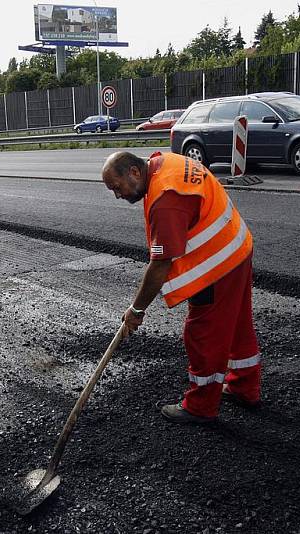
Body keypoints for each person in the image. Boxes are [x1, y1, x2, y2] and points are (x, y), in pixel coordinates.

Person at [101, 151, 261, 424]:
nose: (118, 195)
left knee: (202, 334)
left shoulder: (166, 199)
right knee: (237, 324)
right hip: (236, 247)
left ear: (135, 172)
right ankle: (244, 387)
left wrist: (136, 310)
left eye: (117, 187)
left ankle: (201, 406)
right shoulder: (166, 163)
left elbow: (161, 264)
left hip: (217, 265)